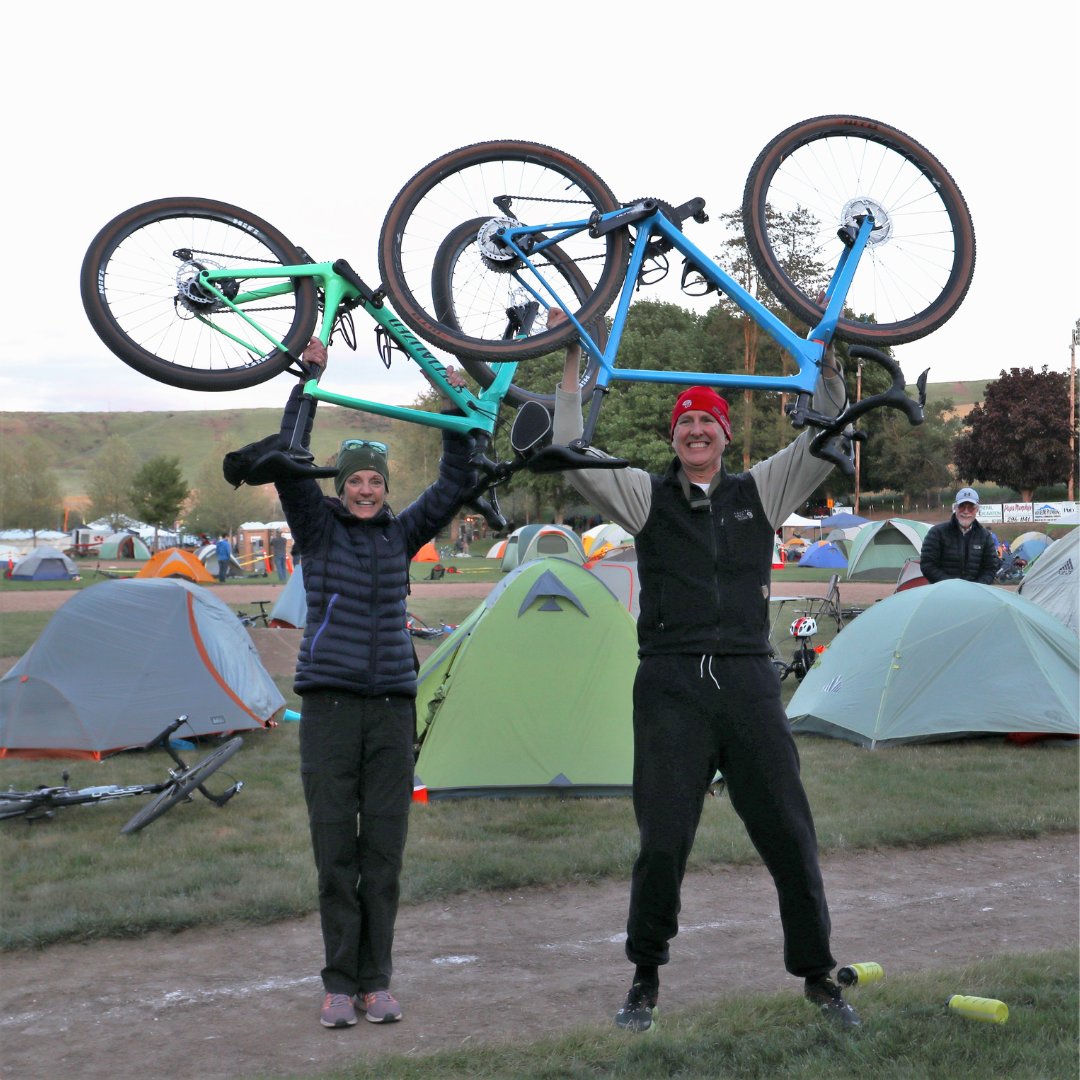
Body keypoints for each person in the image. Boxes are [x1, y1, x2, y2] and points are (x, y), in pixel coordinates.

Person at [552, 328, 860, 1031]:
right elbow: (573, 458)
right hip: (670, 686)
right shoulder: (641, 496)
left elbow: (825, 434)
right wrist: (572, 364)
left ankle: (818, 975)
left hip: (749, 681)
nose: (696, 429)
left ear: (725, 435)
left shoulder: (762, 490)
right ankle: (645, 976)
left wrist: (830, 362)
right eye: (685, 422)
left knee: (789, 831)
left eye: (707, 421)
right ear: (675, 438)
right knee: (663, 840)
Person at [275, 339, 476, 1031]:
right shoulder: (316, 531)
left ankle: (377, 981)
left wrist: (454, 405)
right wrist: (310, 380)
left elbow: (455, 483)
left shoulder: (401, 534)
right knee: (336, 850)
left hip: (392, 708)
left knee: (383, 853)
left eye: (375, 482)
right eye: (356, 481)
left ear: (386, 489)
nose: (365, 490)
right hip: (329, 709)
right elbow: (289, 462)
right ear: (341, 486)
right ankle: (339, 982)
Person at [920, 487, 1000, 584]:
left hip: (975, 594)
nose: (966, 511)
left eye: (971, 507)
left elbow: (991, 568)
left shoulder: (985, 536)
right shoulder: (936, 533)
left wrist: (976, 587)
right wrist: (952, 585)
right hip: (943, 593)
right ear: (955, 508)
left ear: (977, 510)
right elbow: (927, 565)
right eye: (962, 506)